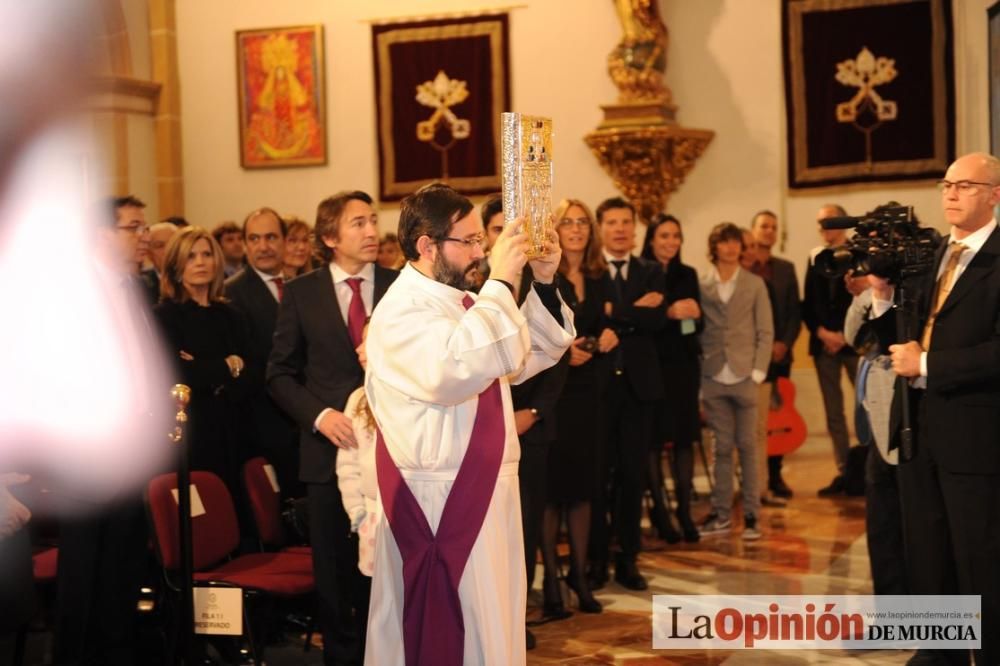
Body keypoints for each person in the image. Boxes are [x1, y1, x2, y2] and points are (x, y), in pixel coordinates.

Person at [363, 183, 574, 665]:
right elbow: (456, 372)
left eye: (484, 241)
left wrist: (541, 281)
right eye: (471, 241)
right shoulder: (401, 311)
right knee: (453, 624)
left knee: (492, 621)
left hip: (485, 489)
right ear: (427, 245)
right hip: (439, 497)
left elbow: (518, 357)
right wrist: (501, 278)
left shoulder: (455, 299)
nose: (482, 252)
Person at [873, 152, 1000, 665]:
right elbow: (901, 346)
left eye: (965, 185)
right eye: (947, 184)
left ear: (994, 194)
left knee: (980, 558)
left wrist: (929, 365)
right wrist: (884, 300)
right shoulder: (931, 255)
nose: (950, 193)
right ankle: (938, 652)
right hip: (917, 427)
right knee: (927, 549)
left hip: (974, 432)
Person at [268, 190, 397, 666]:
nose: (371, 231)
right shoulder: (302, 293)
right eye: (358, 223)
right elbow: (278, 374)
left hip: (393, 454)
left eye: (372, 220)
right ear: (330, 237)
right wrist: (321, 417)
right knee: (335, 577)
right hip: (327, 457)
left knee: (387, 571)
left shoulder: (400, 284)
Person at [589, 196, 665, 592]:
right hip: (598, 390)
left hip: (639, 390)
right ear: (601, 228)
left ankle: (628, 559)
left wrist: (615, 313)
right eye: (612, 222)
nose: (620, 229)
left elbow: (655, 320)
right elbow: (593, 316)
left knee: (634, 477)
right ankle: (597, 559)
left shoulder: (652, 271)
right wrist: (633, 311)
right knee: (599, 477)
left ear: (635, 229)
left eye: (626, 222)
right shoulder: (592, 270)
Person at [539, 198, 609, 618]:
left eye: (583, 222)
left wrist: (604, 340)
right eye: (568, 222)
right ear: (555, 229)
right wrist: (567, 355)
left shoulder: (600, 277)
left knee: (583, 491)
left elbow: (605, 326)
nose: (577, 229)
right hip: (554, 392)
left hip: (591, 394)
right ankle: (550, 582)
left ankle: (579, 576)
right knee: (551, 495)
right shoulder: (546, 275)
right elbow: (537, 334)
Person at [153, 227, 250, 496]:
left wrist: (202, 366)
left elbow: (250, 372)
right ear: (175, 265)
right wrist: (227, 365)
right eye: (191, 256)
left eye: (206, 254)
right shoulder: (165, 316)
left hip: (233, 427)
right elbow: (178, 374)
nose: (200, 262)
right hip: (191, 431)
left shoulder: (232, 314)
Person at [698, 223, 773, 541]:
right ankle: (722, 513)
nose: (729, 249)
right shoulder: (702, 284)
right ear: (714, 247)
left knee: (749, 447)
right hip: (713, 375)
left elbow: (765, 331)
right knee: (721, 448)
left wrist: (757, 371)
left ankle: (753, 515)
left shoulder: (754, 284)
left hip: (745, 375)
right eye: (723, 243)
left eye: (734, 243)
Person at [224, 207, 301, 499]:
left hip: (305, 420)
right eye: (254, 239)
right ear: (245, 245)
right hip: (263, 421)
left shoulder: (301, 285)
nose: (263, 246)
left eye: (271, 237)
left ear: (284, 241)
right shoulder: (231, 293)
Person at [641, 213, 701, 542]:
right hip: (652, 367)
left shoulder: (687, 274)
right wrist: (669, 313)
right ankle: (661, 512)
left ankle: (685, 512)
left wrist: (694, 315)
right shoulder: (642, 272)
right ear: (651, 240)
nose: (670, 242)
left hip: (683, 367)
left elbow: (696, 325)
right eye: (664, 236)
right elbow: (639, 320)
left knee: (684, 439)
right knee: (652, 442)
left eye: (675, 236)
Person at [802, 204, 867, 496]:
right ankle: (844, 472)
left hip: (853, 343)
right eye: (820, 224)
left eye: (828, 222)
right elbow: (808, 304)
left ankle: (868, 468)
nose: (824, 229)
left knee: (865, 406)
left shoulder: (859, 253)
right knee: (833, 413)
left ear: (841, 223)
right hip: (824, 343)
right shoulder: (815, 257)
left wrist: (844, 334)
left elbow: (864, 298)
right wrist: (822, 332)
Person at [750, 210, 801, 502]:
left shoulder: (785, 268)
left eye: (773, 227)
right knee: (757, 423)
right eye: (763, 226)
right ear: (753, 230)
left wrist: (784, 343)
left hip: (780, 355)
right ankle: (756, 478)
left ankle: (775, 473)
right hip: (754, 354)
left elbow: (795, 311)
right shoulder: (746, 266)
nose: (768, 231)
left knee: (779, 418)